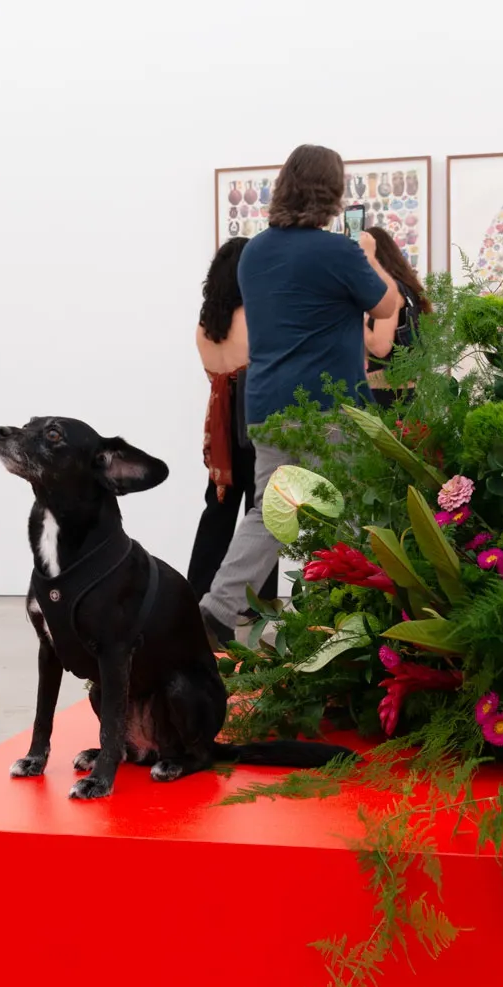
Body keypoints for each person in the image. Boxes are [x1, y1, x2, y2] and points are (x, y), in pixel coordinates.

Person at [198, 143, 400, 648]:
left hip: (266, 404)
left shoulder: (258, 251)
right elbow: (389, 302)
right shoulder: (339, 252)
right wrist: (370, 256)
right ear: (332, 192)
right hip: (328, 406)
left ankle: (218, 610)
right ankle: (346, 625)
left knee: (269, 511)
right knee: (352, 513)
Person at [186, 237, 278, 605]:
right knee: (266, 514)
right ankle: (259, 604)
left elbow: (217, 378)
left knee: (218, 513)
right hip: (258, 416)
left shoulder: (206, 325)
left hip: (221, 429)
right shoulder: (256, 316)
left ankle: (195, 595)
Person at [362, 226, 429, 410]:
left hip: (388, 397)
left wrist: (356, 321)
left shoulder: (392, 292)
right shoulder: (408, 291)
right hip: (403, 394)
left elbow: (381, 347)